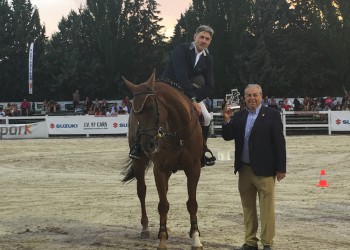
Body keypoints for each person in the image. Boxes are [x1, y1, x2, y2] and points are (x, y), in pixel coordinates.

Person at [129, 25, 216, 166]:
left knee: (206, 117)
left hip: (188, 94)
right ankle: (138, 146)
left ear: (210, 41)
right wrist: (192, 99)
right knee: (151, 110)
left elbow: (210, 85)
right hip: (168, 87)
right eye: (201, 37)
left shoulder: (208, 58)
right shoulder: (181, 49)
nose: (203, 41)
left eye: (207, 39)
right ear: (195, 37)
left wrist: (195, 99)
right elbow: (181, 76)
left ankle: (202, 150)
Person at [221, 84, 286, 250]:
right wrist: (227, 119)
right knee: (248, 209)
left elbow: (279, 143)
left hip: (265, 171)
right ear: (244, 98)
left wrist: (281, 168)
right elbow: (228, 136)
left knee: (267, 210)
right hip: (244, 170)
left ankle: (267, 243)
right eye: (249, 95)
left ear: (261, 96)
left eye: (255, 95)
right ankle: (250, 242)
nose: (252, 98)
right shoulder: (240, 115)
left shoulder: (272, 115)